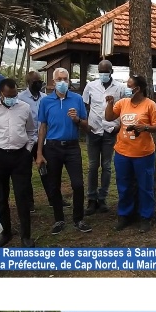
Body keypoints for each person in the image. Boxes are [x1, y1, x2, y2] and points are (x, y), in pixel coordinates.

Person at [0, 78, 36, 246]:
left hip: (20, 157)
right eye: (9, 95)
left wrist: (27, 150)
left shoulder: (24, 108)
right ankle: (6, 232)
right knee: (1, 197)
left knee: (22, 196)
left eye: (15, 94)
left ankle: (26, 236)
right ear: (0, 93)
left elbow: (31, 131)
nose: (12, 98)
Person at [35, 68, 92, 235]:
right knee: (54, 185)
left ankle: (78, 218)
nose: (63, 82)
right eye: (59, 79)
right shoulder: (46, 102)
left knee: (78, 184)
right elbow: (42, 127)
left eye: (65, 79)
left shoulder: (77, 99)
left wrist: (77, 120)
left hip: (72, 147)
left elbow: (86, 126)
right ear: (53, 82)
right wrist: (39, 153)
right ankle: (59, 219)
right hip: (52, 147)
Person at [105, 74, 156, 233]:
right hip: (122, 152)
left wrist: (144, 127)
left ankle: (146, 217)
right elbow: (109, 117)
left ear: (138, 89)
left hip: (143, 154)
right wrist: (110, 103)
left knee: (145, 186)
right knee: (123, 186)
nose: (126, 87)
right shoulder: (123, 103)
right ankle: (125, 215)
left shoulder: (150, 105)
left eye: (129, 85)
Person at [82, 60, 123, 216]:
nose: (103, 74)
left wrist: (118, 126)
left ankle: (102, 198)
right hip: (93, 131)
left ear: (111, 72)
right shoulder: (90, 86)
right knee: (93, 166)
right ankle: (91, 199)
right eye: (100, 71)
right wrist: (86, 124)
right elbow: (85, 105)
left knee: (106, 166)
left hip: (110, 131)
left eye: (106, 71)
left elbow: (123, 107)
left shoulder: (120, 87)